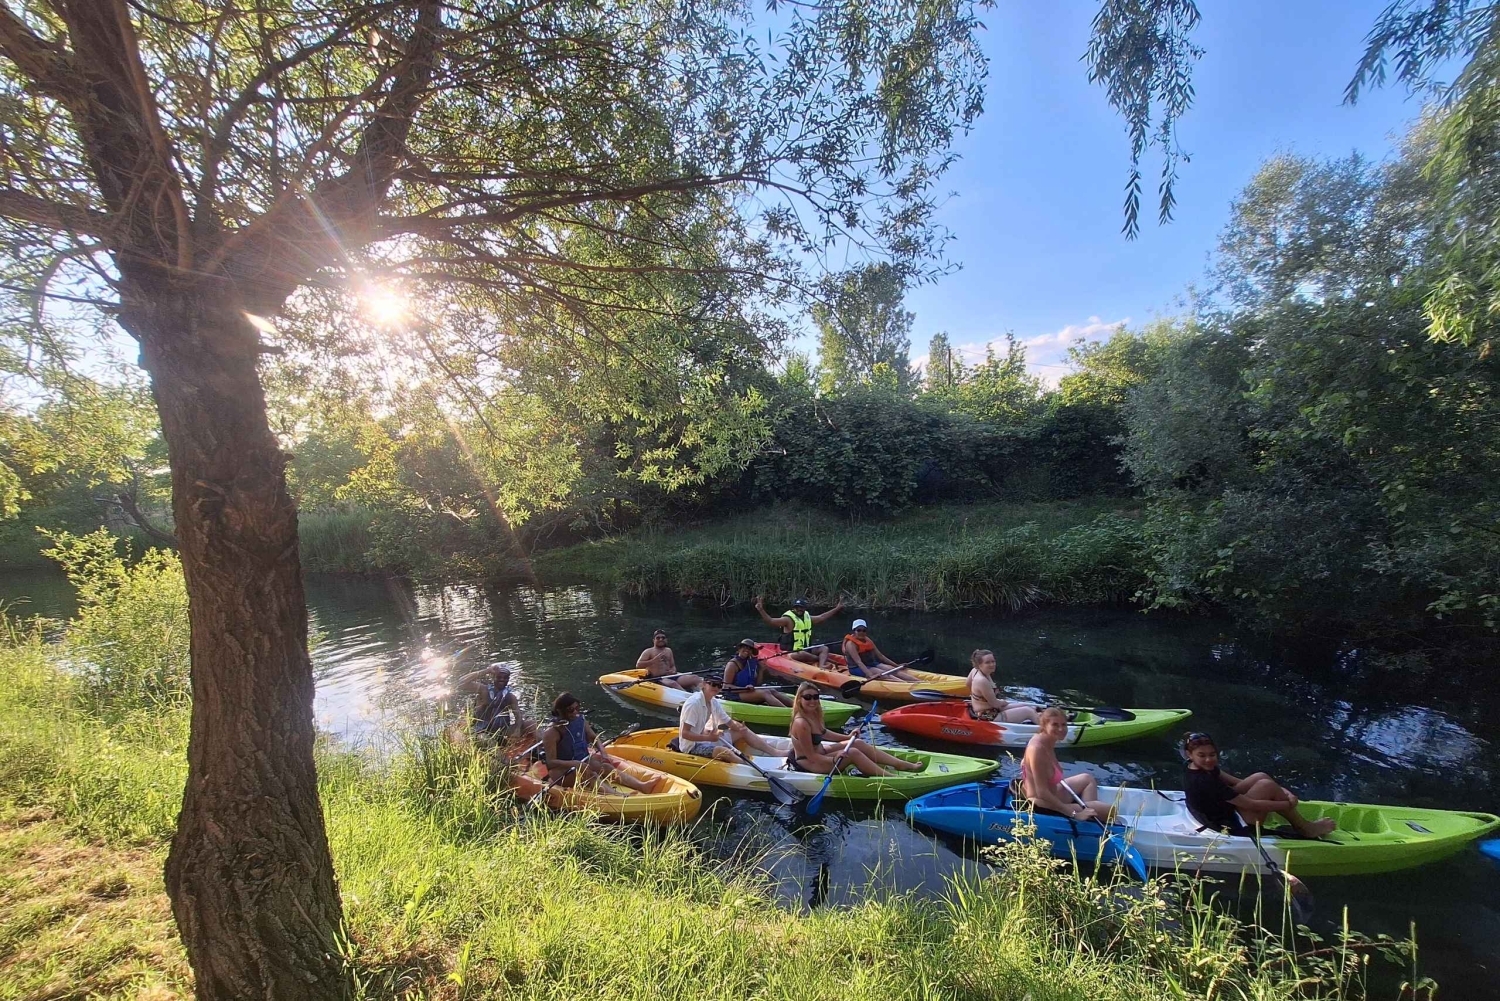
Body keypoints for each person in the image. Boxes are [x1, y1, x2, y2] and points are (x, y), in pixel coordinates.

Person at [1182, 732, 1336, 839]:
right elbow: (1252, 804)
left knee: (1260, 776)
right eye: (1202, 755)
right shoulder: (1204, 781)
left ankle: (1292, 812)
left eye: (1212, 754)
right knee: (1267, 785)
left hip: (1220, 809)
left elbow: (1237, 783)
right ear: (1190, 755)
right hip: (1230, 824)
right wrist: (1286, 803)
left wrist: (1286, 793)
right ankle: (1304, 827)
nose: (1209, 759)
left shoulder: (1200, 768)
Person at [785, 682, 922, 776]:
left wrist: (848, 737)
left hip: (821, 753)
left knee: (857, 743)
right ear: (799, 700)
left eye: (815, 697)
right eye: (807, 697)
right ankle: (889, 777)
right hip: (810, 763)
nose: (812, 701)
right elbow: (812, 756)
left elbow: (824, 733)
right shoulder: (801, 723)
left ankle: (899, 764)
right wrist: (834, 759)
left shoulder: (813, 714)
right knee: (853, 752)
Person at [541, 692, 659, 793]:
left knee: (606, 767)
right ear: (560, 711)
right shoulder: (552, 732)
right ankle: (618, 796)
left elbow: (593, 737)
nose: (575, 712)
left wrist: (603, 753)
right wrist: (574, 763)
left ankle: (642, 786)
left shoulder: (580, 720)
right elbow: (551, 763)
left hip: (582, 761)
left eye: (577, 708)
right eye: (571, 710)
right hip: (562, 771)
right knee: (590, 775)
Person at [1018, 707, 1116, 822]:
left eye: (1064, 725)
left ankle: (1089, 816)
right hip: (1042, 803)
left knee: (1087, 779)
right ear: (1044, 725)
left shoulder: (1047, 741)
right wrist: (1073, 814)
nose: (1061, 729)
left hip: (1053, 793)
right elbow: (1042, 792)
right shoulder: (1037, 749)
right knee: (1111, 811)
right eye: (1055, 725)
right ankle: (1086, 814)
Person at [676, 675, 790, 761]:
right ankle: (747, 765)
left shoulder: (713, 702)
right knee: (723, 751)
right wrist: (709, 738)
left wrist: (738, 726)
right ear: (704, 685)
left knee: (742, 730)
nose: (716, 688)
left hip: (706, 739)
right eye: (713, 684)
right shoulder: (693, 703)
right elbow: (685, 734)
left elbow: (728, 722)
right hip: (691, 747)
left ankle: (775, 752)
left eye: (719, 686)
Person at [454, 663, 537, 741]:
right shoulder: (483, 690)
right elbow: (461, 683)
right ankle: (500, 756)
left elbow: (518, 715)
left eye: (505, 677)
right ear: (493, 677)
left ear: (508, 679)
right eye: (499, 677)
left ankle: (544, 749)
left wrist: (517, 730)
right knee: (484, 738)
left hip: (502, 731)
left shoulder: (511, 697)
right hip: (482, 731)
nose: (502, 679)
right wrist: (487, 671)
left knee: (531, 723)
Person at [754, 596, 843, 668]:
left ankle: (822, 665)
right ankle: (818, 659)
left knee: (824, 648)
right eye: (797, 607)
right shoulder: (788, 619)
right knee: (802, 653)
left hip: (806, 649)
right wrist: (761, 610)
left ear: (804, 608)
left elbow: (822, 617)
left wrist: (837, 608)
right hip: (791, 652)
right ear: (794, 608)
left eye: (801, 608)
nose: (799, 609)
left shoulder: (807, 617)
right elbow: (770, 621)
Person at [967, 649, 1039, 723]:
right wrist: (1003, 702)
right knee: (1028, 711)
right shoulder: (982, 681)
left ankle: (1041, 720)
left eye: (993, 661)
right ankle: (1046, 730)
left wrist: (976, 698)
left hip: (989, 708)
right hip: (987, 715)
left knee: (1030, 707)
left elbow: (968, 683)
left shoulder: (975, 670)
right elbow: (995, 704)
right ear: (979, 664)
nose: (992, 664)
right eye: (987, 662)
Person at [841, 619, 918, 682]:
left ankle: (920, 682)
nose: (862, 632)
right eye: (859, 630)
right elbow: (859, 662)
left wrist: (897, 666)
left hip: (871, 663)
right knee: (882, 673)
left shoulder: (867, 640)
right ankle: (905, 685)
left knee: (893, 670)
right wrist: (870, 675)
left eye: (864, 630)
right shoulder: (851, 644)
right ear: (854, 631)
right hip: (856, 668)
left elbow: (881, 656)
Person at [722, 639, 791, 707]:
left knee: (772, 690)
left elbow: (758, 684)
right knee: (765, 693)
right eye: (744, 647)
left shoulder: (751, 663)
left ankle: (797, 707)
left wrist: (761, 670)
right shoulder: (732, 664)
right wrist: (744, 689)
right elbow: (726, 686)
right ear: (739, 649)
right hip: (735, 694)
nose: (747, 650)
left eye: (750, 649)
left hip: (747, 692)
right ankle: (788, 712)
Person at [636, 628, 700, 691]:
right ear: (653, 640)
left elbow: (673, 666)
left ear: (666, 640)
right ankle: (690, 698)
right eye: (658, 638)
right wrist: (653, 661)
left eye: (663, 638)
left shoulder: (668, 650)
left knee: (695, 678)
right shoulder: (648, 651)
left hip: (671, 676)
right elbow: (638, 665)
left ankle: (706, 696)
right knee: (673, 684)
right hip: (657, 678)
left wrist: (673, 671)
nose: (661, 639)